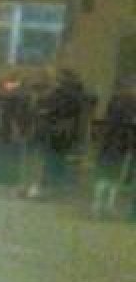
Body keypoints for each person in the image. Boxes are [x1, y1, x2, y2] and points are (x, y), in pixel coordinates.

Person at [34, 68, 88, 198]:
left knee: (53, 157)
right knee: (59, 158)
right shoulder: (77, 94)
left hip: (57, 130)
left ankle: (50, 184)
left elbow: (50, 108)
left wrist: (45, 110)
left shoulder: (61, 94)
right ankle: (57, 184)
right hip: (66, 131)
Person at [93, 77, 136, 218]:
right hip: (121, 144)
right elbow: (129, 125)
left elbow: (107, 122)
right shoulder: (130, 104)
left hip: (109, 143)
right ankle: (107, 206)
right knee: (114, 177)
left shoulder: (114, 101)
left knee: (105, 174)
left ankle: (98, 205)